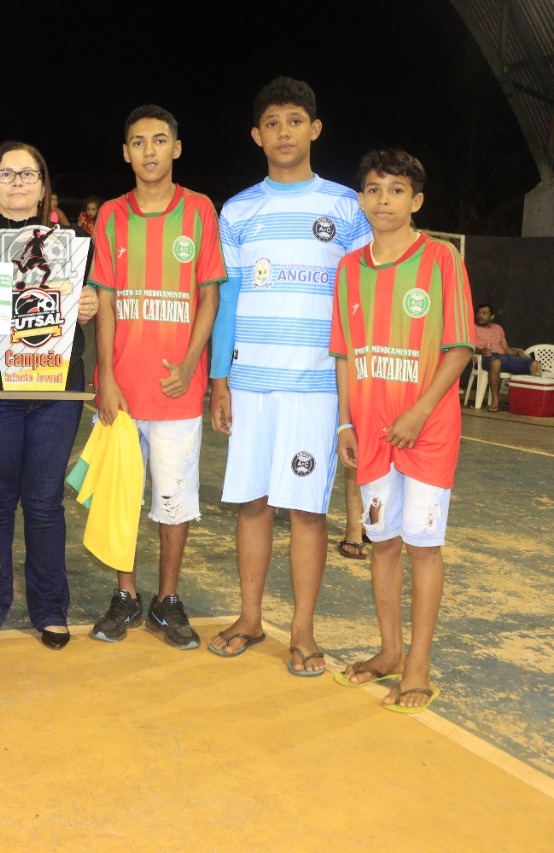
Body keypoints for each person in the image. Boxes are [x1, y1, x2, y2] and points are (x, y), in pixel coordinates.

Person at [207, 77, 372, 674]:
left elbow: (359, 300)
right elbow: (226, 301)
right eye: (272, 123)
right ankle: (250, 618)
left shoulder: (348, 207)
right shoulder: (238, 210)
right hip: (250, 383)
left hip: (316, 388)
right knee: (251, 504)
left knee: (306, 509)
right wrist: (220, 379)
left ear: (315, 129)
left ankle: (301, 630)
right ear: (257, 136)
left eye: (294, 120)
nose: (283, 132)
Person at [331, 149, 476, 713]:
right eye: (372, 189)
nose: (382, 199)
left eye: (395, 190)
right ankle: (389, 651)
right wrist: (346, 420)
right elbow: (344, 354)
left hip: (427, 432)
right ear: (360, 198)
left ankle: (418, 664)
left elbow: (460, 346)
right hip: (371, 434)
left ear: (415, 200)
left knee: (422, 546)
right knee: (382, 541)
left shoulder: (439, 259)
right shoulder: (349, 269)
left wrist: (418, 413)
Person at [0, 141, 97, 651]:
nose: (17, 183)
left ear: (43, 185)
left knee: (46, 502)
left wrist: (90, 302)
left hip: (56, 395)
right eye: (6, 175)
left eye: (27, 174)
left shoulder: (75, 245)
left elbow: (92, 309)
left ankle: (51, 608)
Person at [87, 106, 225, 648]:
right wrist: (107, 379)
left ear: (176, 148)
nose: (149, 150)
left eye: (159, 140)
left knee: (174, 500)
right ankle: (126, 595)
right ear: (126, 153)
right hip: (123, 391)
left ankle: (167, 600)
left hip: (178, 391)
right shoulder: (113, 217)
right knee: (122, 497)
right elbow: (106, 300)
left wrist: (192, 363)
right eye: (138, 142)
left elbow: (209, 294)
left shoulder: (198, 211)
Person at [473, 303, 540, 412]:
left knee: (534, 364)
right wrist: (481, 351)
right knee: (496, 362)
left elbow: (507, 349)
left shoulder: (498, 328)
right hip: (484, 358)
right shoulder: (472, 327)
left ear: (492, 316)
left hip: (503, 357)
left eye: (484, 313)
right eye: (479, 313)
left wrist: (518, 353)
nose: (480, 316)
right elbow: (469, 346)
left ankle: (530, 402)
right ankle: (495, 400)